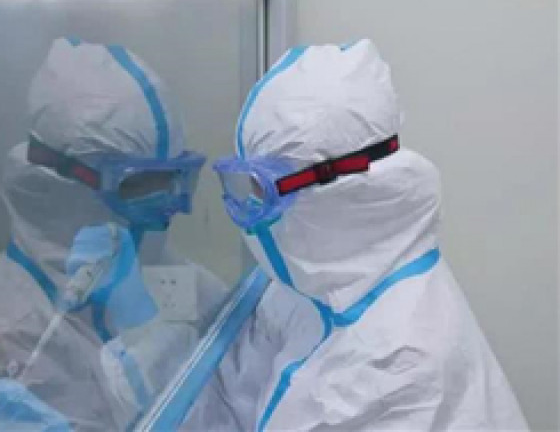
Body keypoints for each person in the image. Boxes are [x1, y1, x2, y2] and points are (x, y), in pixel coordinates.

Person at [183, 39, 529, 431]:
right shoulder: (326, 285)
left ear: (338, 191)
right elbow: (240, 388)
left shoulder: (399, 359)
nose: (251, 211)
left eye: (263, 189)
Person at [0, 37, 227, 431]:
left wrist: (143, 328)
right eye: (139, 185)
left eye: (174, 181)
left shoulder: (194, 289)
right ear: (58, 184)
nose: (165, 210)